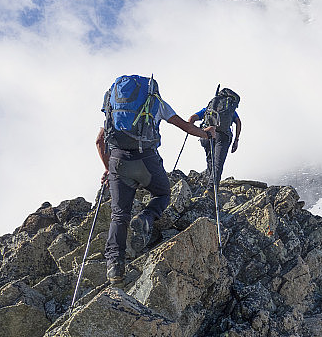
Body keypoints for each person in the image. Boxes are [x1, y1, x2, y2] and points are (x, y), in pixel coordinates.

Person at [96, 75, 215, 285]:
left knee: (119, 214)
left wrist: (108, 169)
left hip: (118, 161)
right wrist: (206, 134)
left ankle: (115, 267)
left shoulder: (112, 105)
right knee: (163, 193)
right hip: (147, 160)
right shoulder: (155, 101)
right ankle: (146, 217)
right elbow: (186, 127)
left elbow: (99, 141)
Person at [189, 89, 241, 190]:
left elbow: (192, 118)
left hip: (206, 135)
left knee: (210, 160)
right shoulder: (230, 110)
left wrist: (193, 129)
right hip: (223, 136)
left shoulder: (208, 108)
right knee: (218, 163)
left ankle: (209, 184)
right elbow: (238, 122)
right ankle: (211, 189)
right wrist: (236, 140)